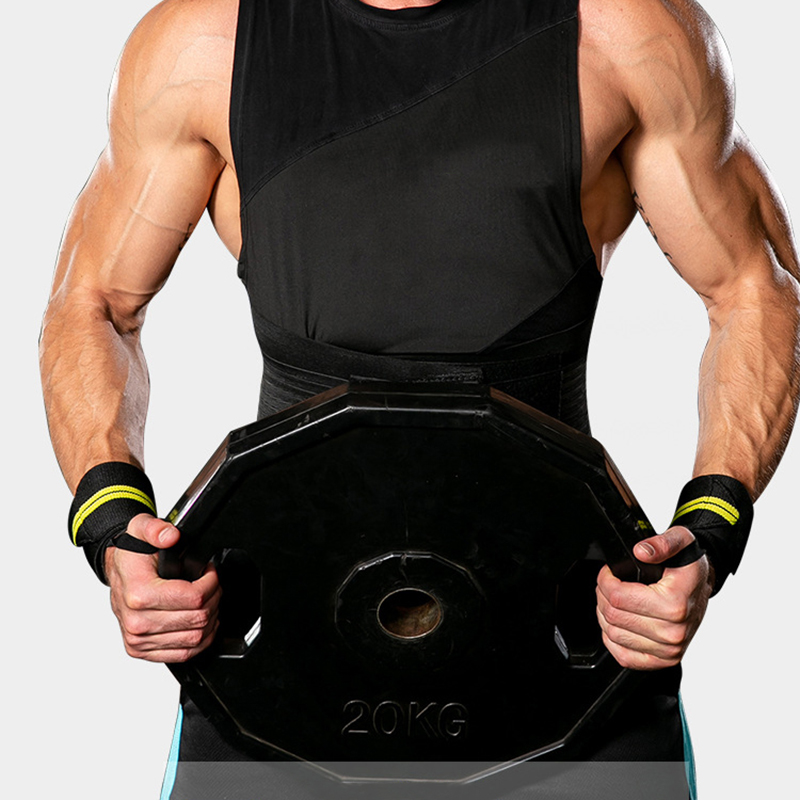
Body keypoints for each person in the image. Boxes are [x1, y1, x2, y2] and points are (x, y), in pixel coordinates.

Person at [39, 0, 799, 798]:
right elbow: (94, 300)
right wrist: (112, 516)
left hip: (574, 645)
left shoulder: (626, 31)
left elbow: (753, 287)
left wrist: (711, 525)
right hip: (286, 657)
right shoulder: (205, 42)